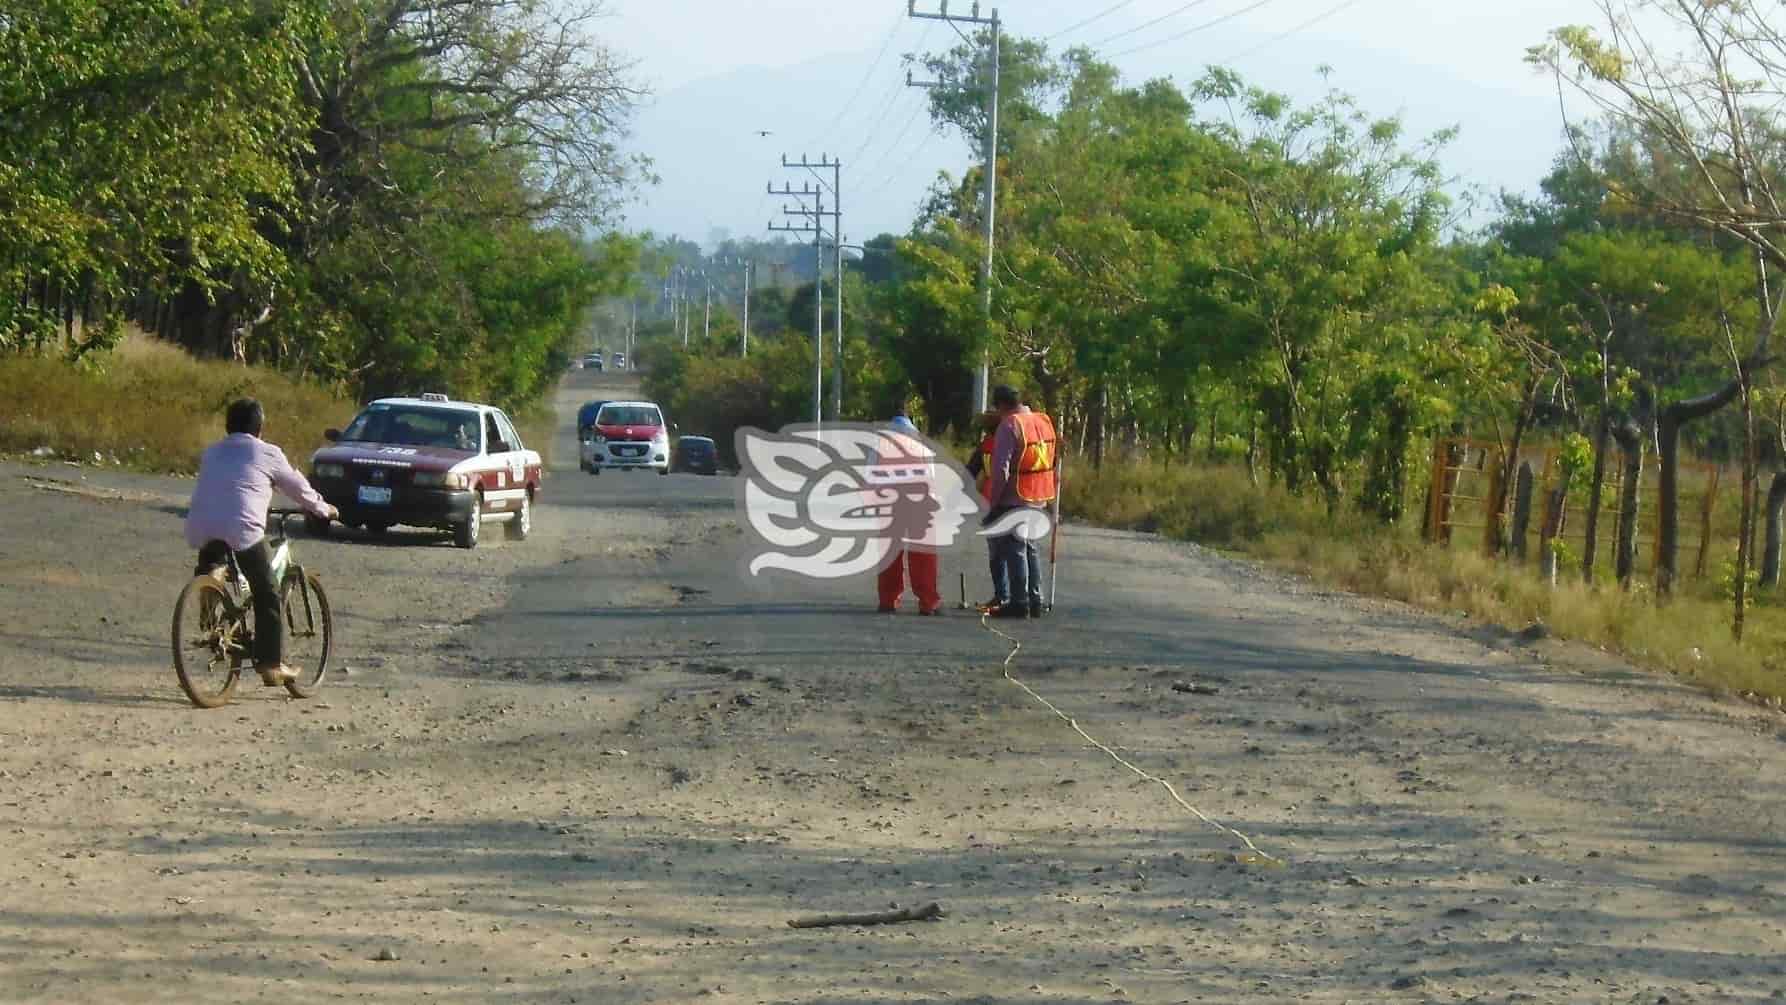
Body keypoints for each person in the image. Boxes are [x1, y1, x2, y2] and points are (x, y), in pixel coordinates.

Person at [185, 399, 338, 686]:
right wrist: (322, 509)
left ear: (227, 426)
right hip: (241, 528)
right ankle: (271, 664)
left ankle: (211, 593)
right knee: (267, 590)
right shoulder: (268, 452)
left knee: (214, 558)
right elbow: (297, 487)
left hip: (201, 524)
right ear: (259, 427)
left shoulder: (212, 452)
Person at [985, 385, 1058, 619]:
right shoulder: (1042, 420)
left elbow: (1001, 471)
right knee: (1029, 546)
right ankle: (1035, 600)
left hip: (1015, 496)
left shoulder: (1009, 425)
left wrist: (994, 503)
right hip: (1039, 493)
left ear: (1001, 405)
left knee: (1016, 548)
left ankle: (1019, 602)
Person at [876, 413, 944, 616]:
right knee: (923, 557)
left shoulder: (880, 446)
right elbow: (931, 477)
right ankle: (928, 602)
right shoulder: (922, 447)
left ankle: (888, 601)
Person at [962, 410, 1004, 611]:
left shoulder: (985, 445)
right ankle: (1022, 595)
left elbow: (970, 471)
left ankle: (1001, 595)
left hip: (989, 501)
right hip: (1013, 498)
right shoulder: (1010, 441)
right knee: (1017, 550)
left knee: (996, 552)